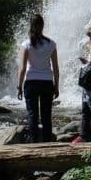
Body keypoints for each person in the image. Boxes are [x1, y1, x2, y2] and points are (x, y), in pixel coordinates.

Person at [16, 14, 59, 143]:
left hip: (31, 82)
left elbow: (22, 68)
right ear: (43, 26)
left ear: (31, 26)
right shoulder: (51, 44)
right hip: (47, 83)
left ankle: (33, 143)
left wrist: (19, 87)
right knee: (46, 115)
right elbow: (56, 68)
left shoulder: (26, 44)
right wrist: (56, 86)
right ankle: (47, 142)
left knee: (32, 114)